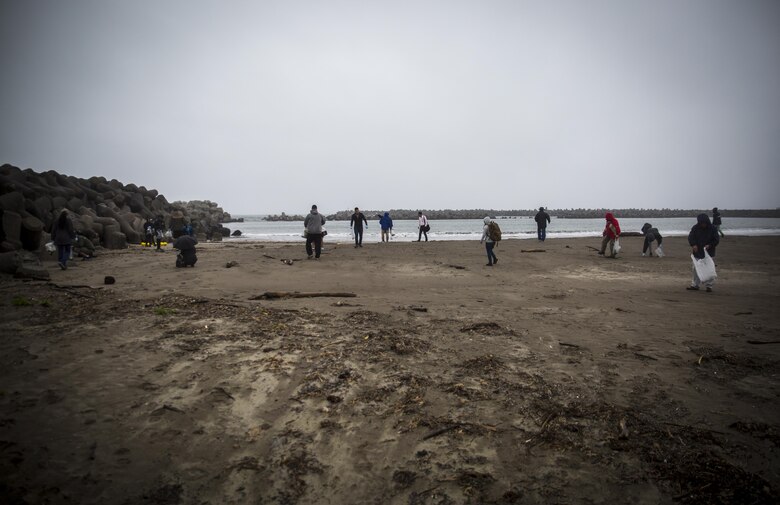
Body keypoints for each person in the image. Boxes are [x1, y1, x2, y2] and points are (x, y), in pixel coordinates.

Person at [687, 213, 720, 292]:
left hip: (709, 252)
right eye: (701, 223)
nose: (703, 225)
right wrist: (693, 244)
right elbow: (691, 237)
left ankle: (709, 286)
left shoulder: (713, 228)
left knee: (710, 269)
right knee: (695, 268)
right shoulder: (695, 228)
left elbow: (716, 240)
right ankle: (695, 285)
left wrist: (710, 245)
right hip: (697, 251)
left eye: (704, 223)